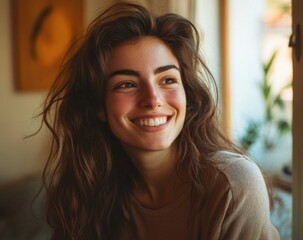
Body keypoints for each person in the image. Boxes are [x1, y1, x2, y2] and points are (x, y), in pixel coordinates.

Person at [40, 2, 280, 239]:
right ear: (98, 107)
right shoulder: (88, 194)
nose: (153, 99)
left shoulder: (233, 184)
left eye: (167, 79)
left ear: (187, 92)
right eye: (127, 84)